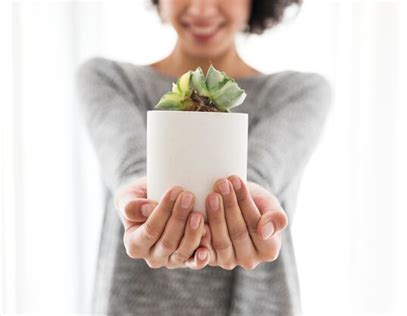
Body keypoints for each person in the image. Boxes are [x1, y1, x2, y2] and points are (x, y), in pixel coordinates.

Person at [76, 0, 332, 315]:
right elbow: (131, 168)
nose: (201, 8)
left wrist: (245, 201)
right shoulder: (109, 79)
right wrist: (138, 198)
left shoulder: (298, 92)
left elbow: (258, 173)